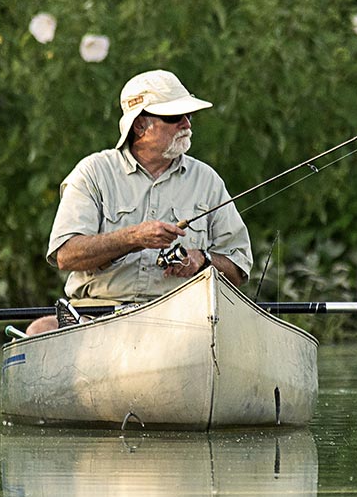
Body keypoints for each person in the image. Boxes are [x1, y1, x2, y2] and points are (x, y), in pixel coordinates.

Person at [26, 70, 252, 334]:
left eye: (189, 116)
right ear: (139, 126)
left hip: (184, 324)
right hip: (98, 318)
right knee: (40, 329)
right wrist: (133, 238)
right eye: (174, 117)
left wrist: (201, 259)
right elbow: (66, 255)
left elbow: (238, 268)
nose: (187, 125)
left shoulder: (208, 180)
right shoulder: (92, 172)